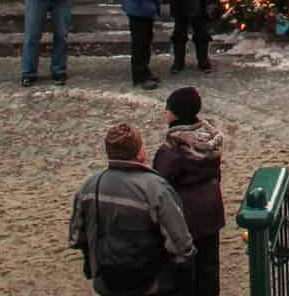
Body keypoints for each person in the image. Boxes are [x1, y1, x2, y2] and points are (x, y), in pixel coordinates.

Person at [69, 123, 195, 296]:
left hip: (105, 282)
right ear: (139, 153)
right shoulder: (156, 189)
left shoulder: (89, 187)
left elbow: (76, 237)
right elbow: (181, 245)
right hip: (150, 283)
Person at [152, 87, 225, 296]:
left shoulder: (173, 148)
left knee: (184, 271)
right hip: (211, 211)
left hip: (185, 216)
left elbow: (160, 183)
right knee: (209, 267)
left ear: (175, 113)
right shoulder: (210, 141)